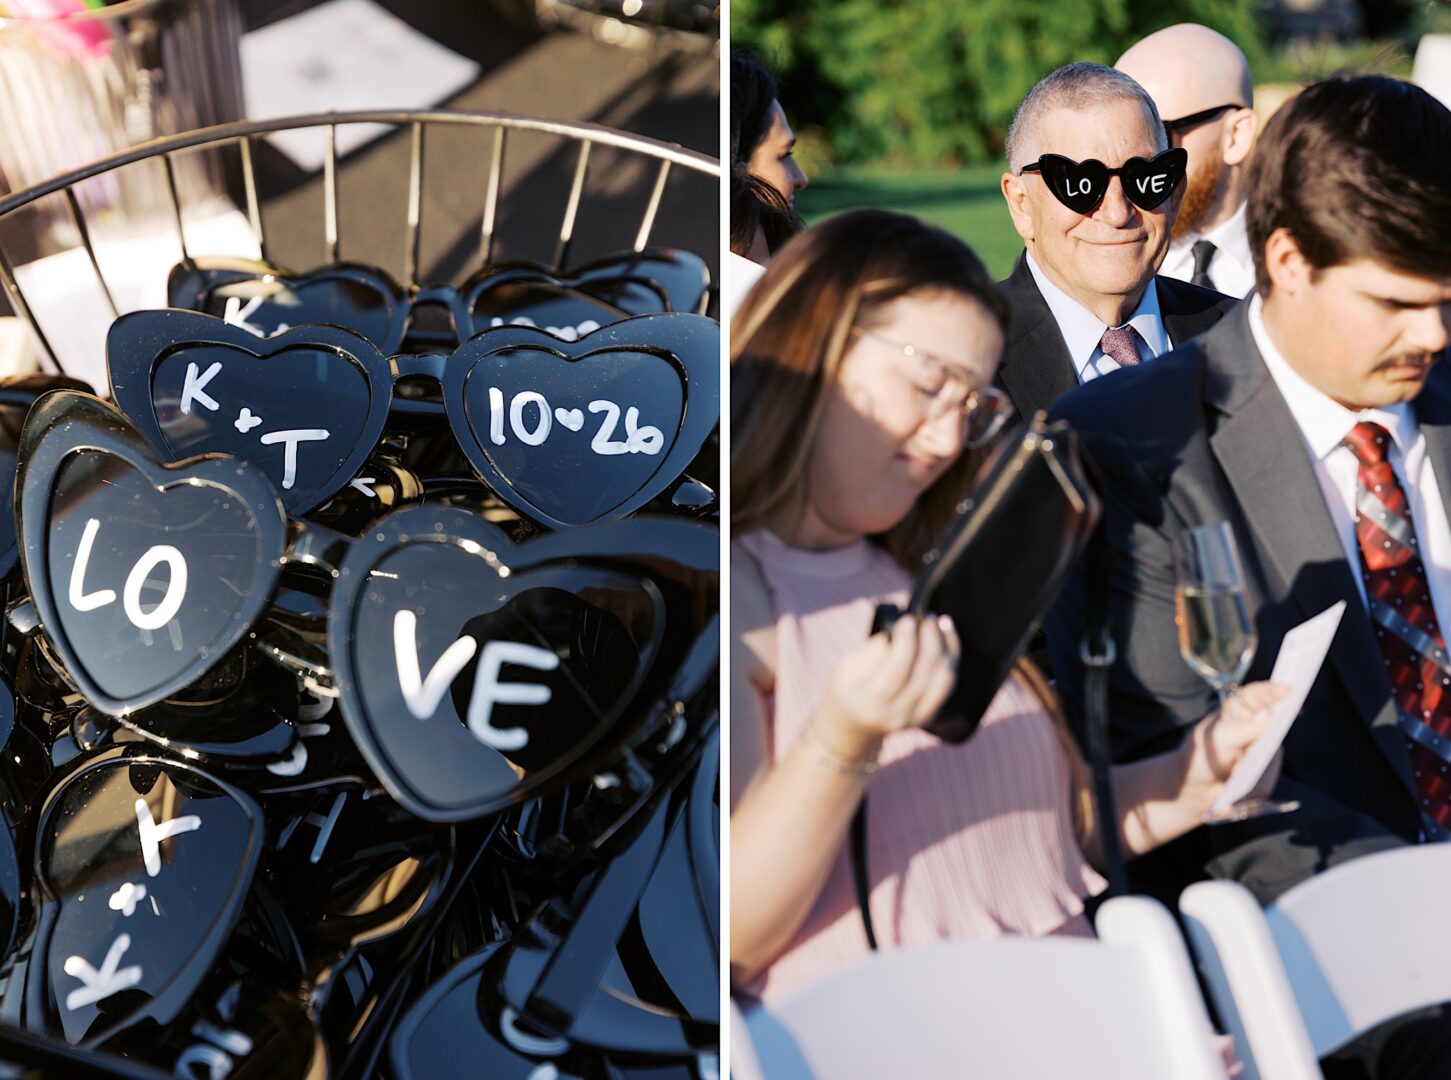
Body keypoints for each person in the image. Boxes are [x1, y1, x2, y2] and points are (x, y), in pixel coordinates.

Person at [730, 207, 1283, 1003]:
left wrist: (1191, 777)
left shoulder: (925, 577)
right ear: (810, 348)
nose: (948, 434)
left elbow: (1040, 837)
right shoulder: (746, 600)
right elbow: (735, 941)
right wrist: (839, 737)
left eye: (974, 406)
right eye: (928, 385)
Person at [1044, 76, 1451, 1076]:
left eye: (1447, 298)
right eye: (1396, 302)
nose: (1433, 336)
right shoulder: (1134, 448)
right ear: (1285, 261)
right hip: (1321, 974)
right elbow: (1212, 803)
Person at [996, 62, 1237, 420]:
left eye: (1144, 178)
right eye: (1079, 184)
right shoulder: (962, 361)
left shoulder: (1243, 337)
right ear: (1021, 204)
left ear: (1174, 195)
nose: (1117, 212)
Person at [1117, 24, 1258, 297]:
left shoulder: (1318, 257)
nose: (1130, 168)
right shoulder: (1094, 262)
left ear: (1236, 136)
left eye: (1160, 135)